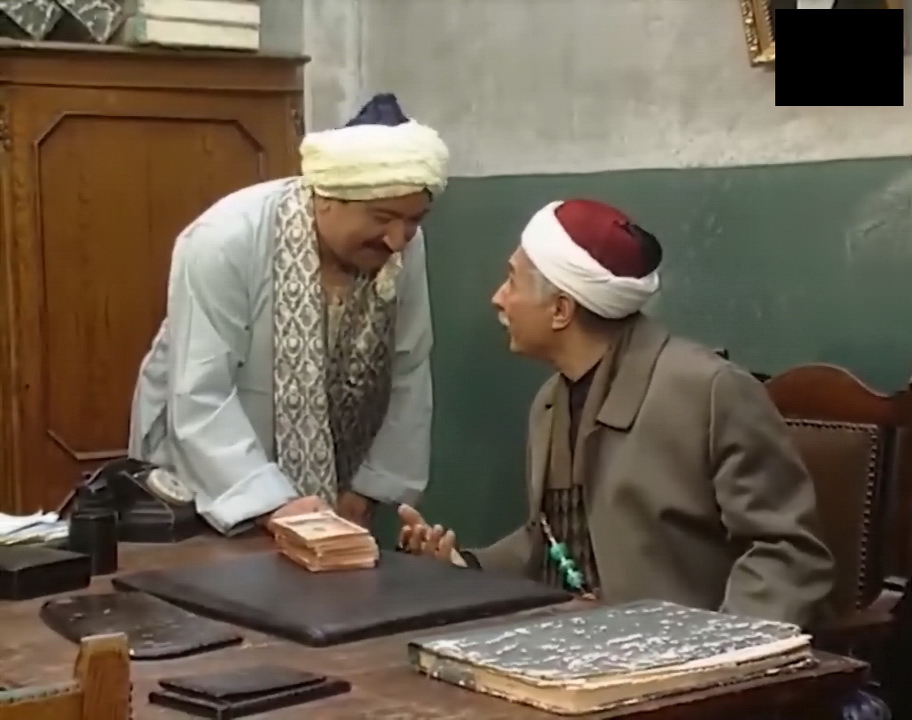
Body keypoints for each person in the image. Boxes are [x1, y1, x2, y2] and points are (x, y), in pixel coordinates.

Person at [398, 199, 834, 628]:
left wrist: (724, 647)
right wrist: (464, 566)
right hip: (576, 644)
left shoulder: (709, 391)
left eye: (512, 281)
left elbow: (786, 552)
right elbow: (556, 540)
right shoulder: (550, 402)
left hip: (678, 654)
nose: (498, 298)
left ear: (561, 310)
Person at [128, 94, 449, 536]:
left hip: (340, 480)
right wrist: (271, 503)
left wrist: (370, 488)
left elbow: (408, 367)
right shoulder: (225, 240)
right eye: (383, 217)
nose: (398, 239)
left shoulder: (402, 245)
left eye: (415, 220)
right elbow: (200, 391)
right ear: (327, 198)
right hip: (213, 484)